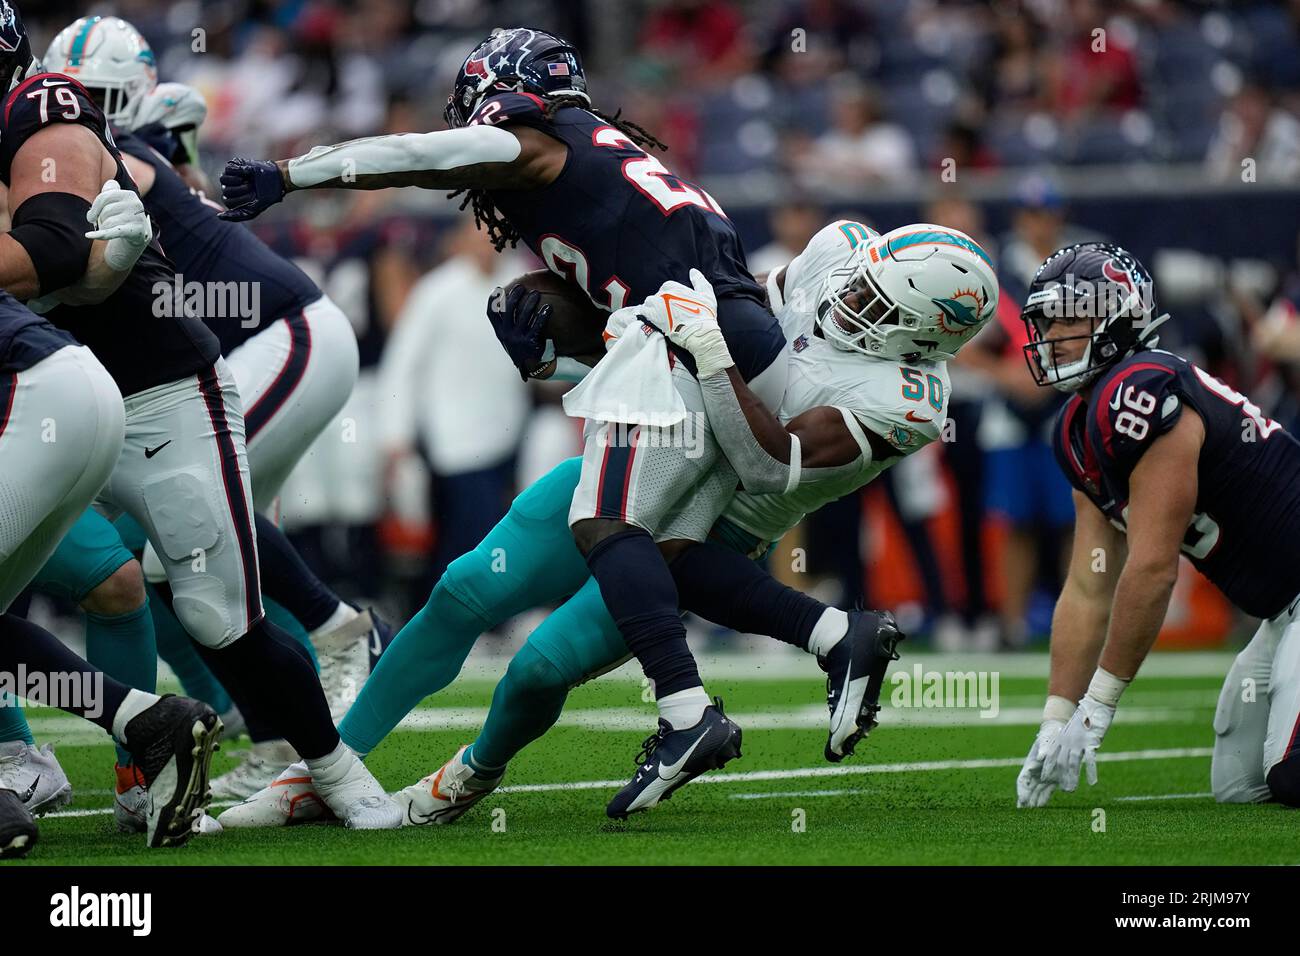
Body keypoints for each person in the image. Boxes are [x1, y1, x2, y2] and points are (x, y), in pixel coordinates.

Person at [218, 220, 999, 826]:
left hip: (703, 530)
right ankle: (324, 772)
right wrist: (587, 347)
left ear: (926, 337)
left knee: (538, 667)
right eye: (861, 288)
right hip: (645, 448)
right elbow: (733, 312)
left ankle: (464, 778)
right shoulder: (838, 254)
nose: (848, 304)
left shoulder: (907, 402)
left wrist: (710, 355)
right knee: (460, 591)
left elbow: (766, 461)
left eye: (877, 310)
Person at [0, 4, 398, 829]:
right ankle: (129, 747)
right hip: (57, 400)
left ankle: (333, 768)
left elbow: (59, 256)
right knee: (96, 587)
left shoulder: (43, 109)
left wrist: (90, 254)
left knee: (219, 612)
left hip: (158, 392)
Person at [1014, 242, 1300, 808]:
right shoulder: (1074, 428)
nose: (1051, 335)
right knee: (1241, 789)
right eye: (1047, 320)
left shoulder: (1140, 390)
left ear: (1118, 316)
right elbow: (1090, 584)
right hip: (1282, 608)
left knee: (1292, 774)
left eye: (1069, 316)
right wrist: (1056, 716)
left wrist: (1099, 705)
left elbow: (1151, 569)